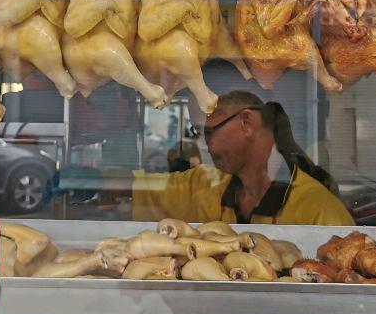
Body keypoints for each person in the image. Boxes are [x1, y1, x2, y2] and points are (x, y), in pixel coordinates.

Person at [132, 91, 353, 226]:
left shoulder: (320, 212)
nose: (200, 146)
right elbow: (131, 187)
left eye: (206, 133)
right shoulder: (206, 184)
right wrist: (99, 179)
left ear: (247, 124)